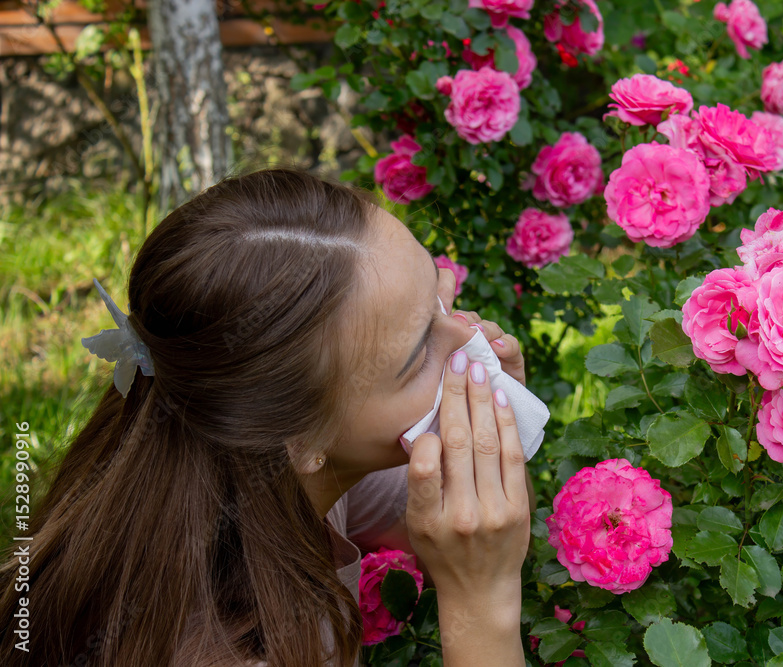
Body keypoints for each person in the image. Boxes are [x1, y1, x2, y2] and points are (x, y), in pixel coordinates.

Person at [0, 168, 535, 666]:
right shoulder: (219, 650)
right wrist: (481, 609)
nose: (470, 335)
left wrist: (505, 433)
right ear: (299, 438)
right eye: (419, 353)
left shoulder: (291, 469)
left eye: (440, 299)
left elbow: (472, 533)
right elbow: (479, 569)